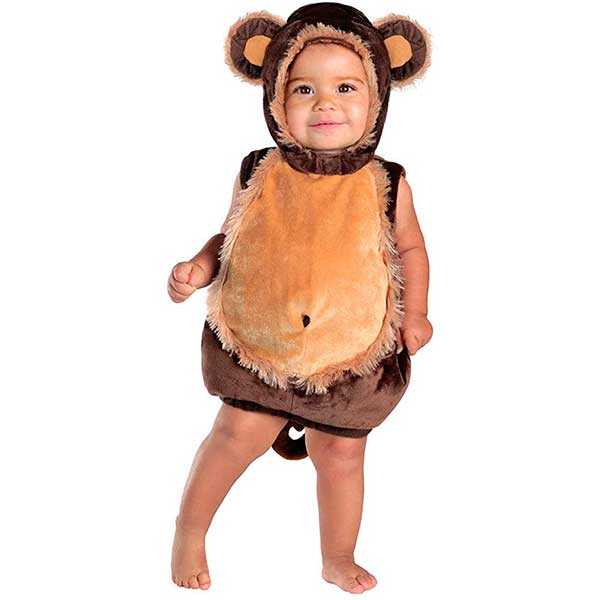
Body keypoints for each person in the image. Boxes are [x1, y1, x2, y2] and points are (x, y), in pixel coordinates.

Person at [168, 3, 433, 593]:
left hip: (350, 353)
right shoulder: (260, 170)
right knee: (235, 437)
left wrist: (415, 313)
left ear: (379, 97)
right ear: (273, 97)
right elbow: (231, 236)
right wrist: (198, 268)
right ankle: (189, 529)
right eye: (304, 89)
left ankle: (337, 555)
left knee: (340, 457)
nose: (325, 103)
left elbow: (411, 250)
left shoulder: (387, 183)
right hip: (258, 344)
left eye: (346, 88)